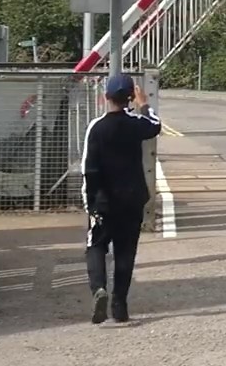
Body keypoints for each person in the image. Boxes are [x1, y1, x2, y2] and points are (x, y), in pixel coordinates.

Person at [81, 73, 162, 324]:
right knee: (126, 252)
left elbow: (89, 168)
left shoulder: (97, 127)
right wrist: (144, 104)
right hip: (132, 198)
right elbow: (155, 125)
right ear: (130, 98)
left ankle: (99, 289)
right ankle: (120, 305)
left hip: (104, 200)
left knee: (96, 245)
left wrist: (90, 203)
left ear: (105, 97)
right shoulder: (137, 123)